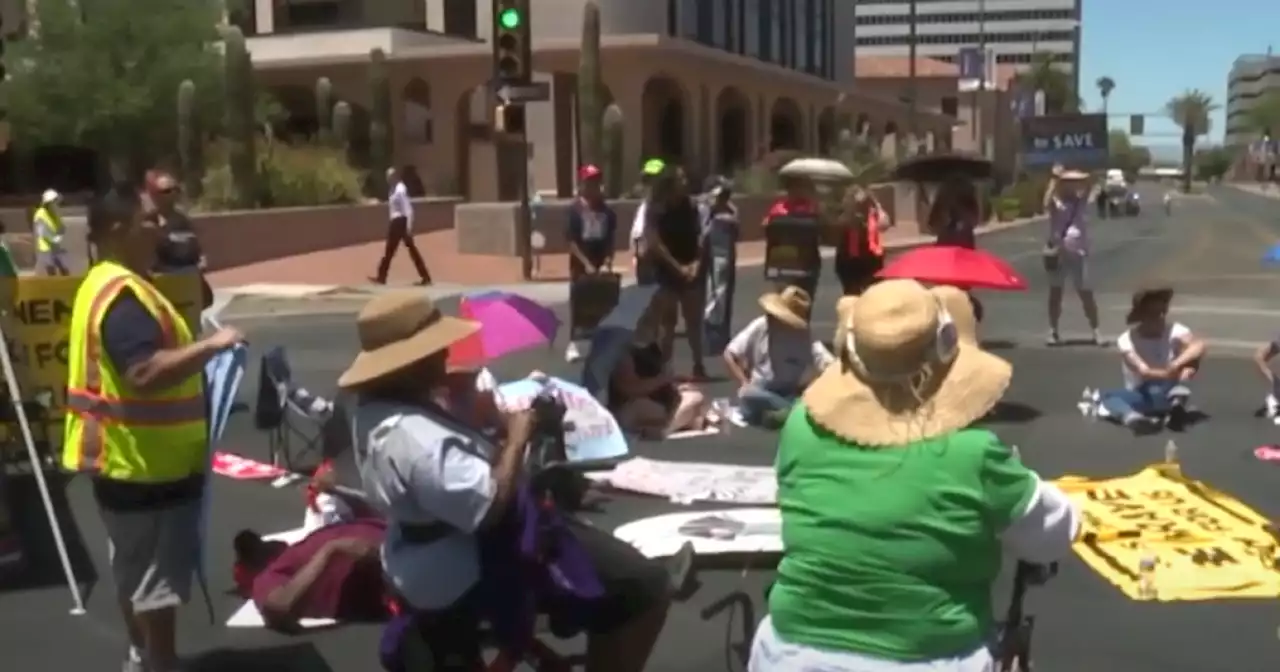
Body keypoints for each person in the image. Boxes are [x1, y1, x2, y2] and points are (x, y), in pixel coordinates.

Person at [751, 279, 1079, 672]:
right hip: (931, 657)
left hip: (791, 653)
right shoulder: (972, 454)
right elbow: (1052, 535)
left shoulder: (803, 425)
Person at [339, 291, 670, 672]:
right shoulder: (414, 437)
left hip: (421, 554)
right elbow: (489, 506)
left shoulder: (375, 412)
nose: (444, 356)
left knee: (582, 538)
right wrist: (517, 435)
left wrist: (475, 421)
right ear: (409, 365)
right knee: (644, 587)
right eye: (433, 351)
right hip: (466, 562)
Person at [64, 183, 245, 672]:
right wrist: (212, 347)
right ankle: (160, 662)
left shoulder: (104, 283)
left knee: (133, 571)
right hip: (146, 466)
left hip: (125, 460)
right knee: (155, 583)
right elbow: (143, 373)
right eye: (149, 219)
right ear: (119, 229)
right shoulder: (122, 294)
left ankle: (143, 656)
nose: (161, 225)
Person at [233, 519, 389, 630]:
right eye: (254, 547)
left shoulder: (296, 551)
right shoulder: (265, 578)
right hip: (382, 570)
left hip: (392, 534)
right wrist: (330, 550)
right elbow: (279, 605)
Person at [724, 286, 833, 429]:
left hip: (788, 392)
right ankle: (788, 412)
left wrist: (809, 386)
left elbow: (829, 364)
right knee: (749, 394)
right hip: (760, 390)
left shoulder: (805, 336)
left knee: (809, 401)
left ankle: (784, 412)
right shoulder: (761, 325)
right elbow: (729, 353)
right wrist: (744, 381)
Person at [1100, 287, 1206, 432]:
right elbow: (1144, 372)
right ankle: (1135, 418)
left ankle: (1174, 403)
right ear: (1142, 316)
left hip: (1171, 386)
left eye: (1161, 313)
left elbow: (1199, 345)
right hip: (1143, 394)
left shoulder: (1176, 330)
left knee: (1191, 361)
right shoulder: (1126, 340)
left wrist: (1177, 364)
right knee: (1107, 396)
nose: (1159, 318)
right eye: (1153, 314)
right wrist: (1170, 373)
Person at [641, 165, 707, 378]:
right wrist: (677, 267)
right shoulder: (655, 208)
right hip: (665, 271)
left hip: (691, 269)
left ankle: (698, 365)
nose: (685, 182)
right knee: (667, 323)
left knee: (694, 321)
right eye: (681, 179)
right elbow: (654, 243)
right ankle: (664, 369)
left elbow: (700, 237)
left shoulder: (691, 206)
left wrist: (696, 263)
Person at [1042, 167, 1102, 346]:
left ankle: (1096, 330)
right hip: (1059, 254)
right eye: (1068, 183)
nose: (1071, 186)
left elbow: (1093, 186)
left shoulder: (1081, 201)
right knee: (1055, 293)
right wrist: (1054, 178)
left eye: (1074, 183)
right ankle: (1053, 331)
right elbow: (1045, 202)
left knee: (1086, 294)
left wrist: (1086, 173)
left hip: (1079, 253)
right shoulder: (1056, 202)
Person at [566, 164, 618, 362]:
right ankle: (576, 344)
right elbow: (571, 241)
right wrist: (585, 263)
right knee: (580, 303)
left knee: (603, 305)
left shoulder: (606, 211)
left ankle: (601, 345)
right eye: (590, 182)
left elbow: (611, 238)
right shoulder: (575, 210)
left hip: (600, 260)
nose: (594, 186)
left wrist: (607, 260)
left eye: (597, 181)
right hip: (581, 263)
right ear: (582, 184)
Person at [609, 338, 710, 438]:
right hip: (631, 407)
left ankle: (681, 421)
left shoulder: (651, 346)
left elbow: (655, 378)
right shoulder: (624, 352)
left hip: (656, 402)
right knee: (695, 401)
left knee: (695, 397)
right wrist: (664, 379)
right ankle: (668, 428)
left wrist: (676, 387)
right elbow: (629, 388)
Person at [147, 171, 214, 308]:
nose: (173, 194)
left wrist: (201, 259)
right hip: (164, 288)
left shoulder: (184, 221)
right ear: (155, 195)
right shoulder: (149, 222)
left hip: (189, 285)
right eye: (167, 191)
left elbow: (195, 247)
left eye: (175, 189)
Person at [371, 167, 432, 286]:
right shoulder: (392, 190)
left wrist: (408, 226)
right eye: (387, 177)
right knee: (395, 250)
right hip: (395, 222)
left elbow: (407, 208)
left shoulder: (400, 189)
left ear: (395, 177)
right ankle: (382, 277)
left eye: (390, 176)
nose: (388, 179)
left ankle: (425, 277)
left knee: (400, 250)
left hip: (401, 222)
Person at [699, 176, 739, 356]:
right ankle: (709, 336)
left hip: (722, 255)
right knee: (708, 294)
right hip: (704, 254)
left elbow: (736, 231)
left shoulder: (730, 212)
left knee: (721, 292)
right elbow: (701, 232)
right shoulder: (704, 208)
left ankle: (719, 337)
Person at [833, 184, 892, 296]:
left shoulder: (873, 214)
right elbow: (839, 227)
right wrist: (852, 209)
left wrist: (876, 203)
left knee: (872, 294)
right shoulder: (846, 216)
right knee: (852, 295)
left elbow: (885, 224)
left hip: (871, 261)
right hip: (849, 262)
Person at [629, 158, 666, 283]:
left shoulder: (670, 207)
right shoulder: (645, 206)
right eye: (646, 180)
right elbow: (637, 236)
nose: (649, 184)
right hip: (647, 266)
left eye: (653, 179)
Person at [927, 175, 980, 249]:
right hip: (965, 247)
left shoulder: (942, 199)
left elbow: (931, 225)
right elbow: (975, 221)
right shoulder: (968, 196)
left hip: (944, 247)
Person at [34, 188, 69, 276]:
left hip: (55, 248)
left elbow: (62, 227)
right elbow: (42, 233)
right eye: (55, 202)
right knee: (51, 272)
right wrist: (55, 239)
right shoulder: (41, 214)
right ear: (48, 203)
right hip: (46, 249)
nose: (57, 204)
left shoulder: (54, 213)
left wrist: (60, 233)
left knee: (65, 270)